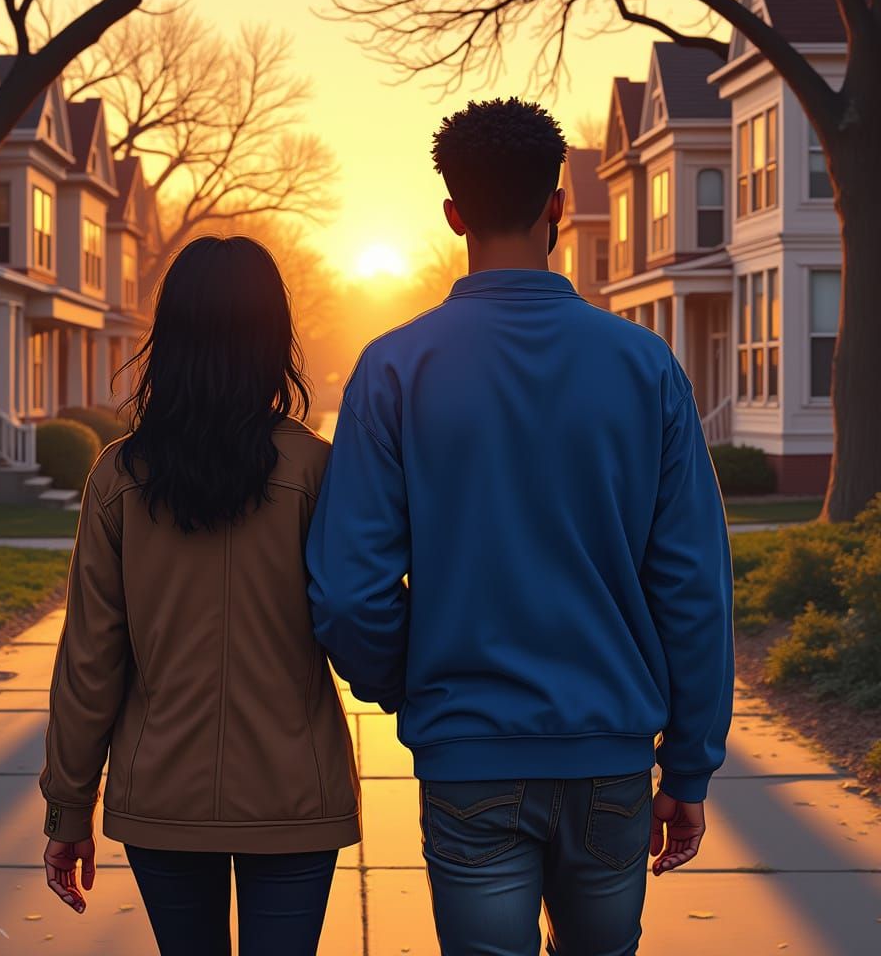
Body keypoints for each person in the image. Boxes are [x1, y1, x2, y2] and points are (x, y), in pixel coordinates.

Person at [305, 98, 734, 956]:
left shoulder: (394, 369)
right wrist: (689, 762)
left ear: (454, 214)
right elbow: (692, 582)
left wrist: (415, 683)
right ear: (558, 205)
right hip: (610, 755)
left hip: (469, 750)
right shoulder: (644, 365)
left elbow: (350, 593)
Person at [38, 235, 360, 956]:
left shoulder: (119, 476)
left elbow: (90, 659)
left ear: (170, 338)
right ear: (273, 337)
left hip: (163, 794)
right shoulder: (317, 470)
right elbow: (355, 612)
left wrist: (68, 809)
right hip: (295, 793)